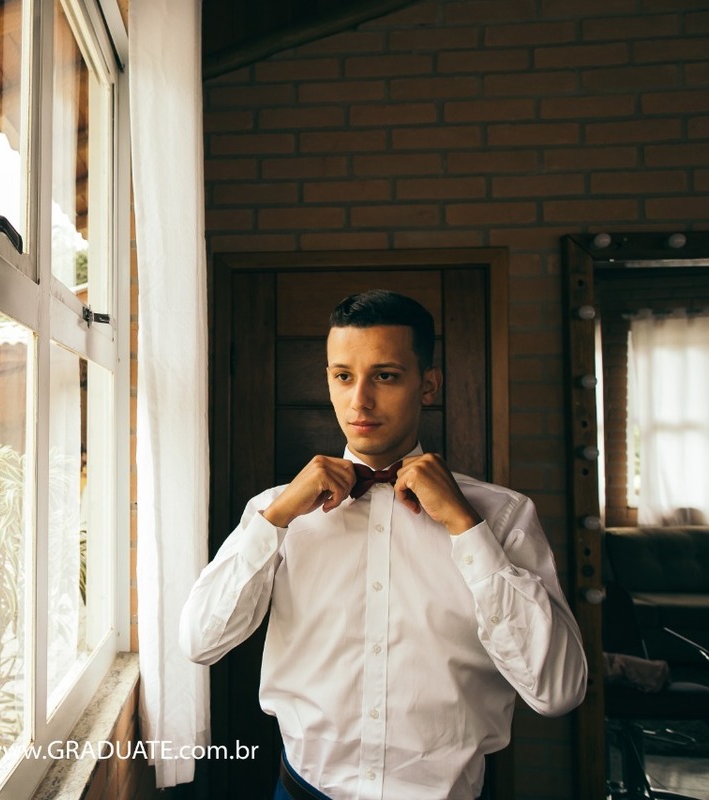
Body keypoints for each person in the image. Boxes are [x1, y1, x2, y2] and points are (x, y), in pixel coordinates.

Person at [179, 290, 587, 800]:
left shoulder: (502, 515)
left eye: (386, 376)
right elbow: (200, 642)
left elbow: (558, 691)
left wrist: (467, 527)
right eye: (343, 376)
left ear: (428, 385)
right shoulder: (274, 512)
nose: (360, 401)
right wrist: (276, 519)